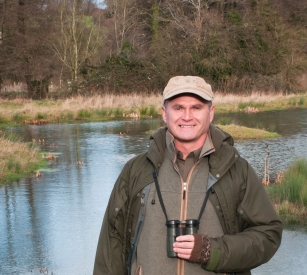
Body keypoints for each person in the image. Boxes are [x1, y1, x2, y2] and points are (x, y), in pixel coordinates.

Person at [94, 76, 282, 275]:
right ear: (164, 114)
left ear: (211, 113)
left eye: (196, 107)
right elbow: (111, 244)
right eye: (178, 108)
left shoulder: (237, 171)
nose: (187, 116)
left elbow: (268, 235)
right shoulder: (136, 170)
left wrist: (212, 251)